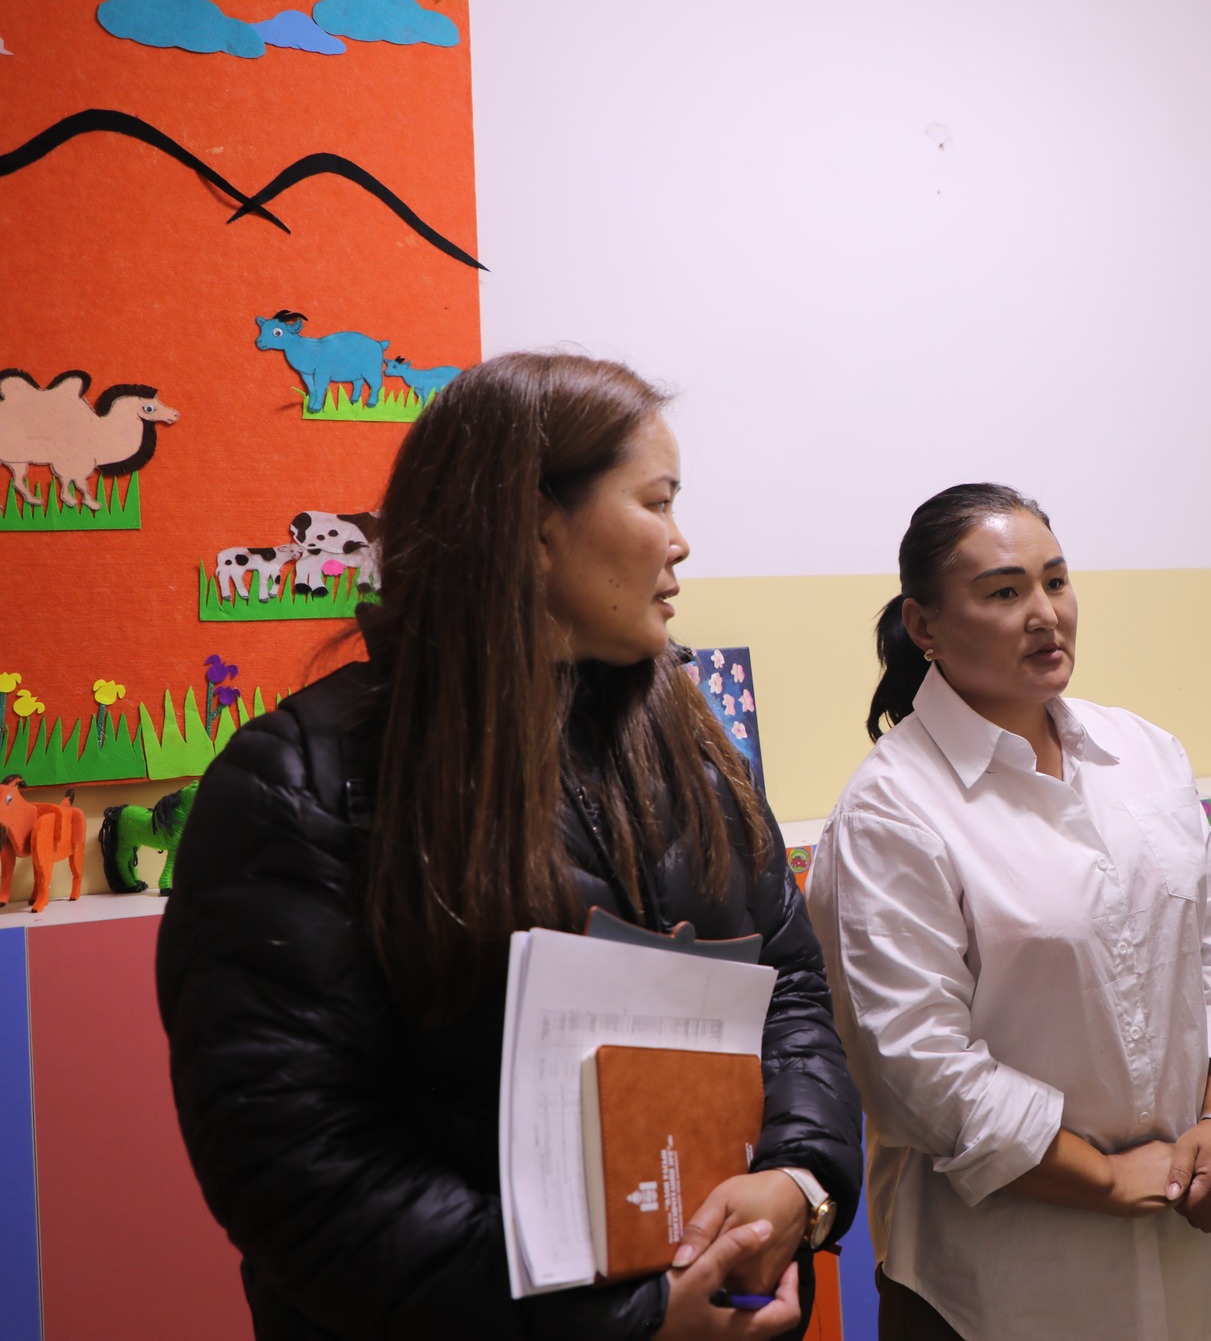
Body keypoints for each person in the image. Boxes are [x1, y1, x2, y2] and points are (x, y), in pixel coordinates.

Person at [156, 353, 863, 1340]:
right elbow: (300, 1172)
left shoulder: (693, 745)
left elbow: (788, 993)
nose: (681, 542)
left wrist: (801, 1180)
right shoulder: (300, 782)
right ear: (534, 528)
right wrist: (628, 1319)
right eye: (657, 502)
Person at [806, 483, 1211, 1341]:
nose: (1045, 614)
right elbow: (917, 1066)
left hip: (1185, 1263)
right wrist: (1105, 1177)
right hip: (999, 1293)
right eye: (1004, 591)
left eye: (1056, 581)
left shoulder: (1144, 753)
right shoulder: (892, 808)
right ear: (923, 624)